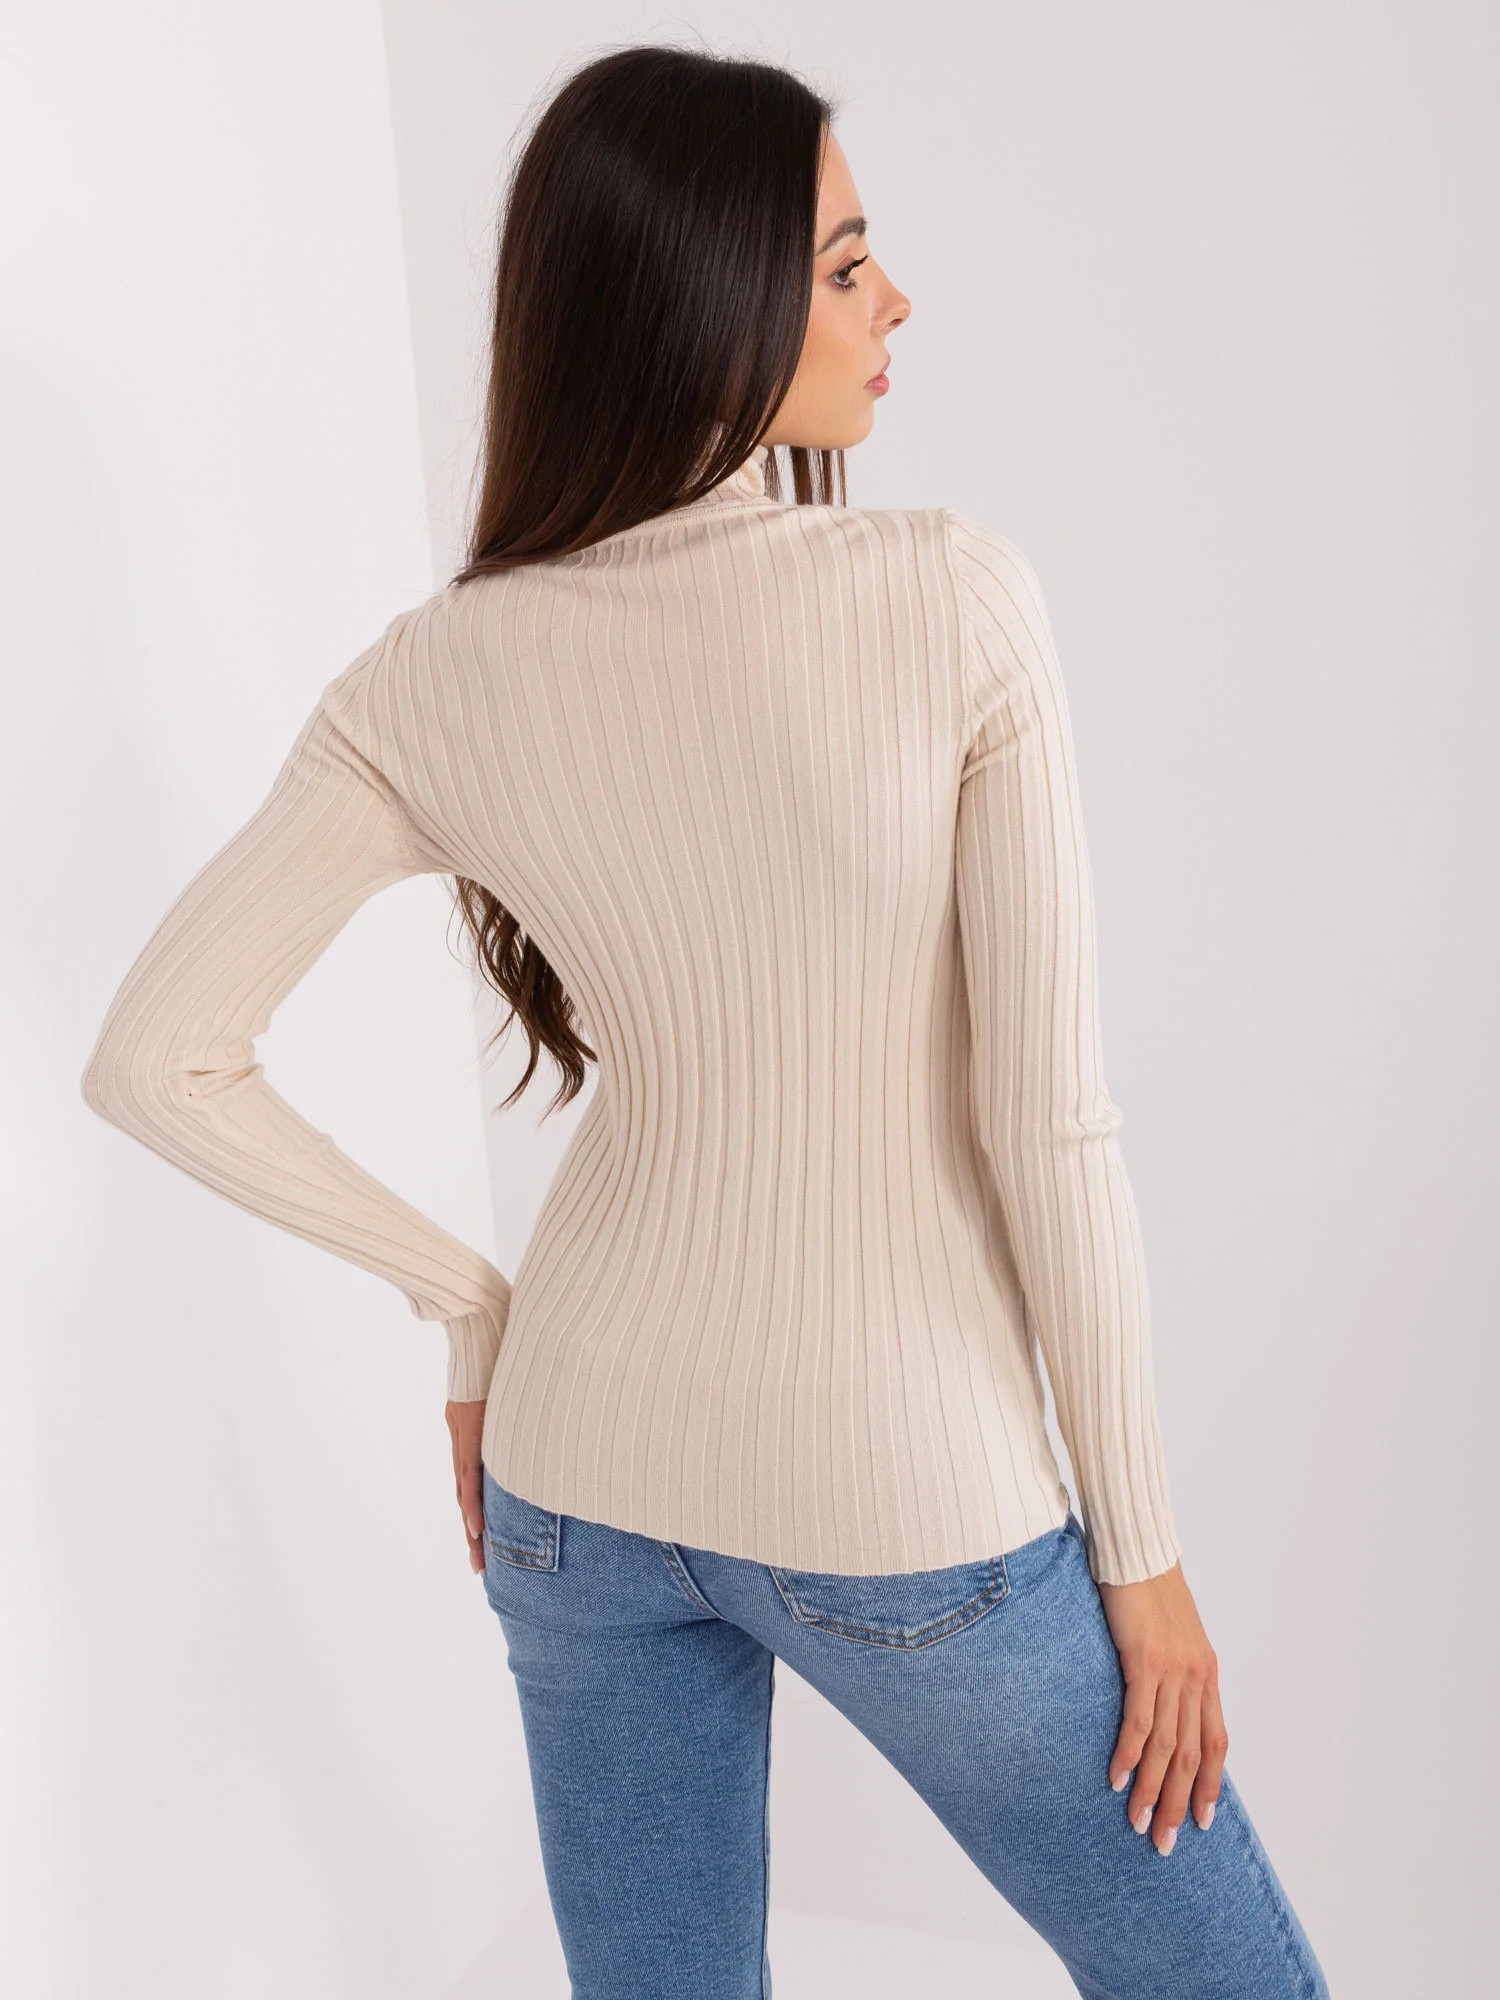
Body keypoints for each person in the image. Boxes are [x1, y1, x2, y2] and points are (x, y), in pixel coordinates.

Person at [79, 43, 1329, 2000]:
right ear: (702, 294)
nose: (896, 300)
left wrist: (473, 1308)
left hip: (574, 1482)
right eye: (843, 264)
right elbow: (1050, 1127)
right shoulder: (951, 598)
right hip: (912, 1500)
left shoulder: (434, 671)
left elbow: (155, 1054)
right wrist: (1144, 1564)